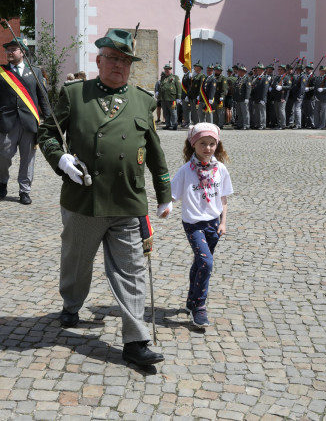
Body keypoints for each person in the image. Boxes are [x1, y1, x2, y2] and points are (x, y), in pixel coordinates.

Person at [37, 29, 172, 367]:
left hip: (127, 199)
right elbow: (47, 133)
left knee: (132, 271)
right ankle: (71, 304)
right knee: (77, 261)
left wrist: (164, 193)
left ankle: (136, 340)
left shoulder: (143, 100)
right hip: (85, 198)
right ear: (98, 61)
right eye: (112, 58)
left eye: (125, 60)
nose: (119, 65)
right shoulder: (74, 94)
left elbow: (154, 150)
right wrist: (61, 160)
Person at [170, 123, 232, 328]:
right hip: (193, 224)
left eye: (212, 144)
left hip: (214, 224)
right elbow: (171, 195)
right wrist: (166, 207)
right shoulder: (186, 171)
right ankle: (199, 306)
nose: (208, 148)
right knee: (206, 263)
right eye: (203, 143)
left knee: (199, 263)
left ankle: (190, 300)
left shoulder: (220, 169)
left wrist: (223, 222)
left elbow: (223, 198)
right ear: (193, 144)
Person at [0, 38, 51, 205]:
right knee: (4, 156)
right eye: (8, 49)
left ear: (22, 52)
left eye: (13, 49)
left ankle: (24, 190)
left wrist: (50, 119)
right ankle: (3, 179)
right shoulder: (0, 72)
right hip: (8, 121)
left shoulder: (35, 71)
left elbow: (42, 97)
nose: (9, 52)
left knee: (28, 158)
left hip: (29, 122)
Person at [158, 63, 182, 130]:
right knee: (166, 112)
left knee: (173, 112)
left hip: (172, 98)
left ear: (171, 70)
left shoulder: (175, 77)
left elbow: (179, 87)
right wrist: (158, 94)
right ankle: (168, 124)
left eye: (168, 69)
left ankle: (174, 124)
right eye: (165, 69)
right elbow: (161, 87)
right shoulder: (163, 77)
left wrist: (178, 98)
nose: (167, 70)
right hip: (163, 98)